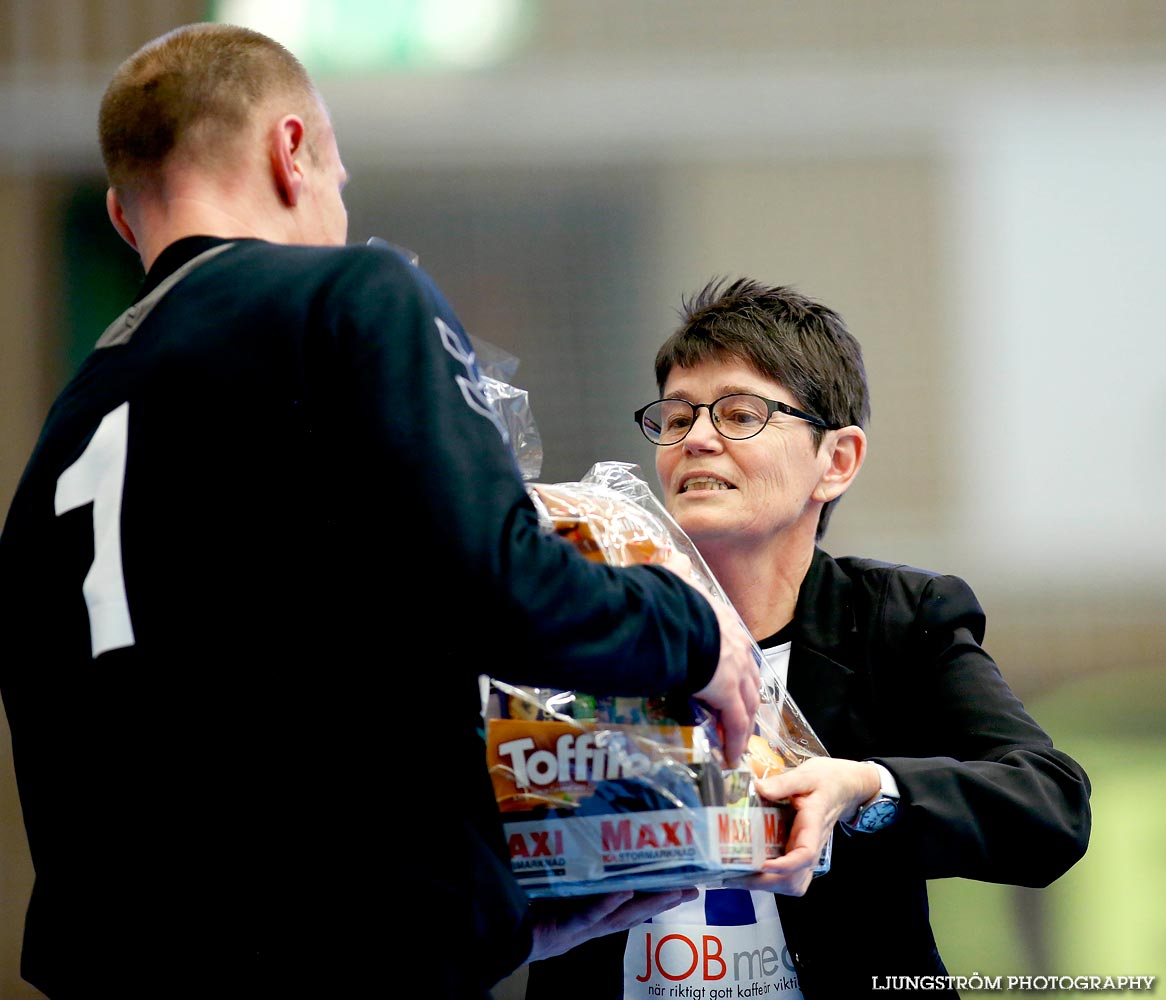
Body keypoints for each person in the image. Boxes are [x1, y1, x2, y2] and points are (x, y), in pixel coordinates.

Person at [0, 25, 762, 1000]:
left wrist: (481, 908)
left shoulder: (60, 432)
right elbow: (502, 586)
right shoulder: (350, 295)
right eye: (337, 177)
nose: (337, 205)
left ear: (121, 213)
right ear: (290, 152)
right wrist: (692, 627)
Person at [525, 278, 1092, 998]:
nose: (696, 438)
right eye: (674, 419)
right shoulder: (575, 618)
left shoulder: (897, 618)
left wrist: (864, 790)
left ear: (838, 461)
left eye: (739, 414)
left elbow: (1051, 808)